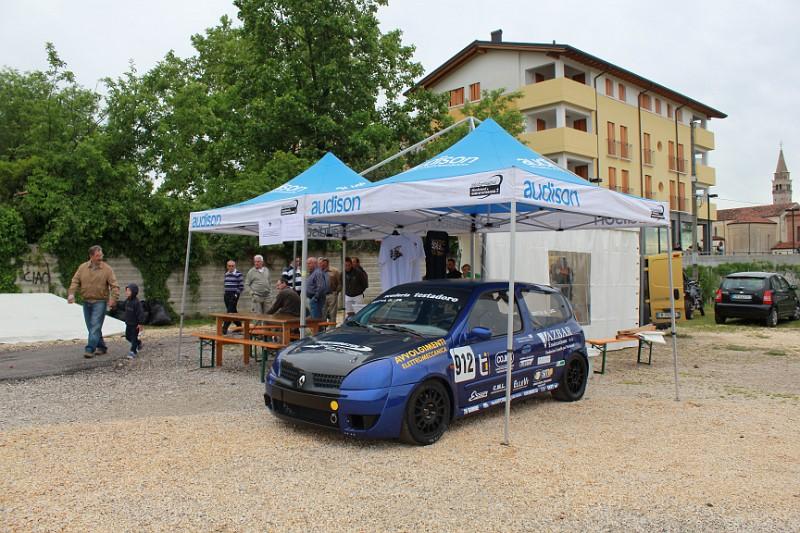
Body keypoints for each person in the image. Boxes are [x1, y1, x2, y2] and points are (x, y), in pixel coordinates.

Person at [68, 245, 119, 358]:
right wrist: (71, 294)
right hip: (86, 302)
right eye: (97, 255)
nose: (100, 257)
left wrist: (113, 299)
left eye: (101, 255)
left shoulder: (107, 269)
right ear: (91, 256)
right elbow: (75, 281)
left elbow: (114, 285)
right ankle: (102, 347)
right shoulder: (82, 268)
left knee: (95, 326)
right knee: (92, 327)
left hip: (100, 302)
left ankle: (90, 349)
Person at [222, 259, 244, 335]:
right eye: (229, 266)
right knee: (233, 311)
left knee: (229, 312)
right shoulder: (226, 274)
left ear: (235, 266)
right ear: (227, 266)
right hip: (227, 294)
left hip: (234, 295)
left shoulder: (238, 274)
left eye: (232, 266)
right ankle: (239, 326)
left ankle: (224, 329)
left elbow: (241, 287)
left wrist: (236, 295)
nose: (231, 267)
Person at [123, 284, 145, 359]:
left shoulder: (137, 303)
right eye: (126, 290)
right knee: (128, 337)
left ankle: (133, 351)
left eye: (129, 291)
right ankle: (139, 343)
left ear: (134, 292)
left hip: (135, 325)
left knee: (133, 338)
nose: (127, 292)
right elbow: (122, 306)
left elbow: (141, 313)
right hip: (128, 323)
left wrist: (140, 323)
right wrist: (115, 305)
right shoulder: (127, 301)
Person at [320, 257, 341, 322]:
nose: (323, 264)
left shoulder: (335, 271)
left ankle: (332, 327)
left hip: (332, 294)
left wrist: (336, 292)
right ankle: (323, 327)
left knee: (332, 313)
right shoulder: (318, 271)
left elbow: (340, 283)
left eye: (324, 263)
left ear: (327, 263)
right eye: (322, 263)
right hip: (322, 295)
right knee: (322, 313)